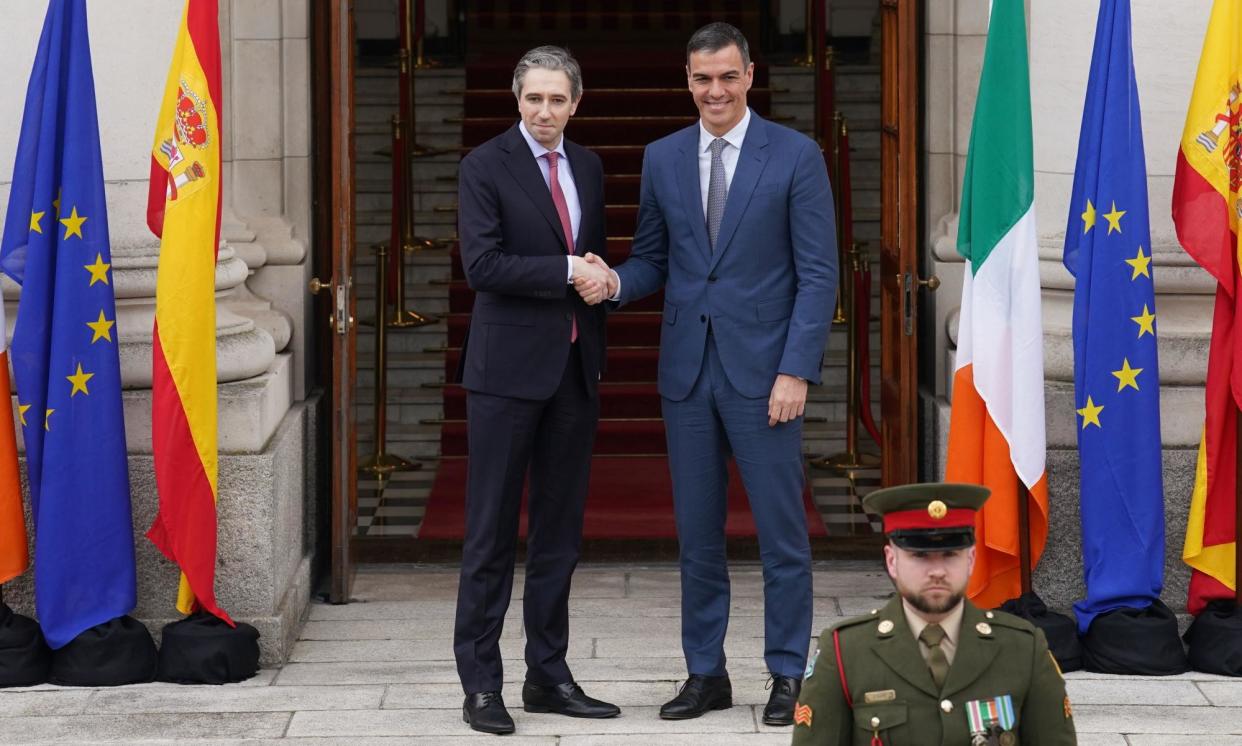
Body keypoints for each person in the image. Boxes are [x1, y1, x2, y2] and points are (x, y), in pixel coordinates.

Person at [576, 22, 837, 726]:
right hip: (687, 375)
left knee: (783, 536)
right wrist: (615, 284)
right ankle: (706, 674)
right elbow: (655, 257)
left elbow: (818, 275)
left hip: (766, 378)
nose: (714, 90)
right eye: (701, 79)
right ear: (686, 81)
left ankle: (787, 675)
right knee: (697, 538)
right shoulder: (662, 157)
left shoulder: (796, 155)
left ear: (750, 75)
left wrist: (796, 371)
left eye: (726, 76)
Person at [452, 45, 619, 735]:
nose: (545, 111)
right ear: (516, 101)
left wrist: (603, 277)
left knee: (559, 536)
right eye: (533, 99)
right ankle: (482, 686)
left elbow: (593, 256)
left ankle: (548, 675)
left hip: (574, 374)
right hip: (505, 378)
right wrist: (567, 271)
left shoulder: (587, 166)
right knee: (490, 535)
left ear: (575, 103)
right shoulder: (483, 166)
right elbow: (483, 264)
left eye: (557, 99)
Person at [791, 483, 1077, 745]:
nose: (937, 571)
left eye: (951, 555)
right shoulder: (845, 652)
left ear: (972, 559)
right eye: (920, 556)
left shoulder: (1023, 649)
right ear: (891, 561)